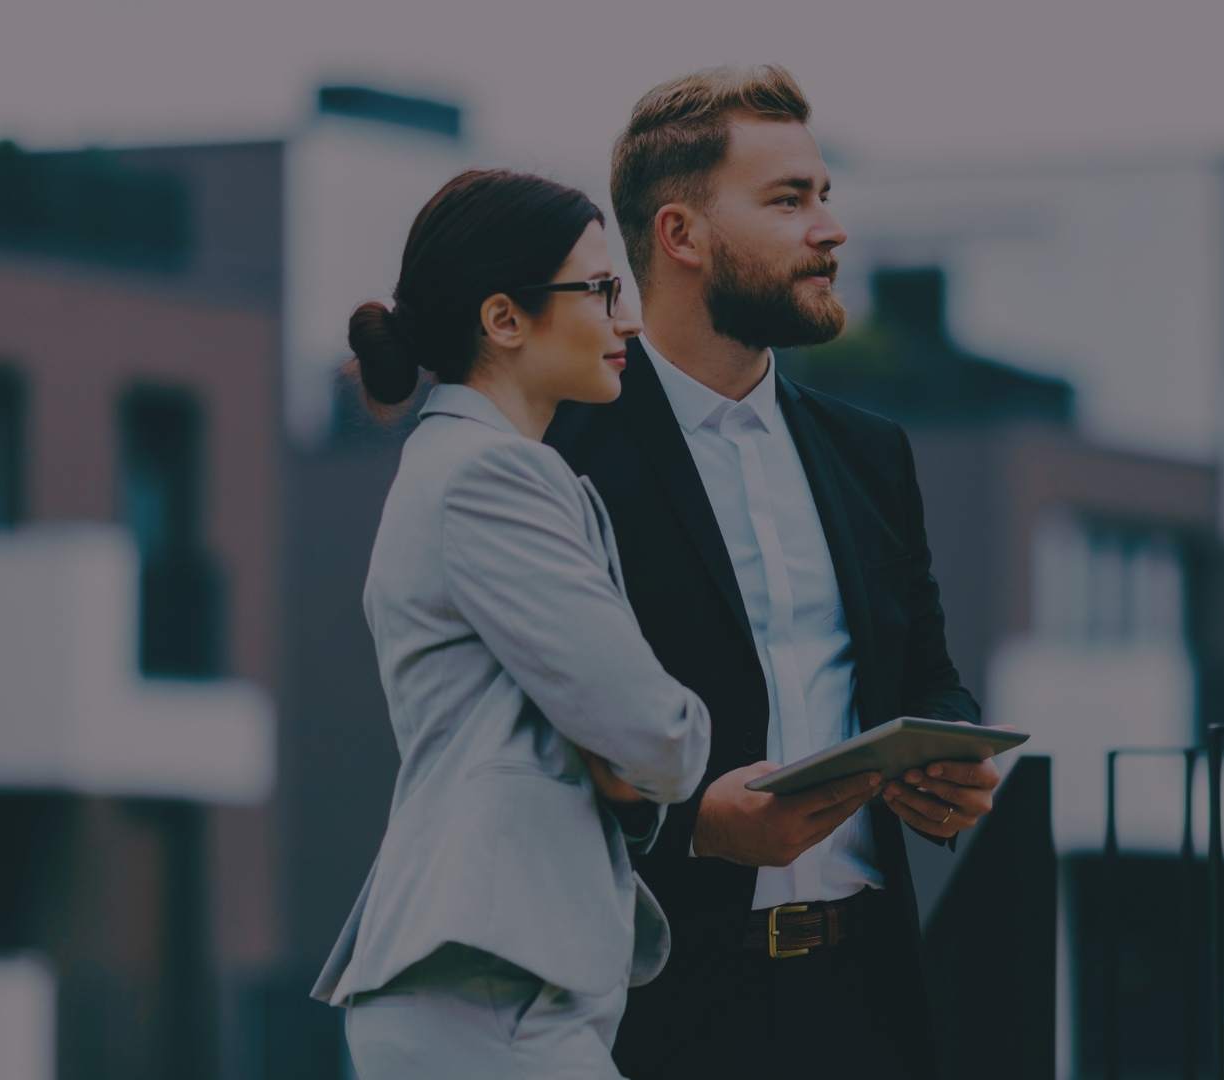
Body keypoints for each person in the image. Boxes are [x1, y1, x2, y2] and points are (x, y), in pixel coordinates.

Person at [544, 65, 998, 1079]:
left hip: (866, 1005)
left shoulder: (872, 454)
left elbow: (926, 666)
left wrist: (949, 754)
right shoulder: (563, 458)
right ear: (682, 236)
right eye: (789, 201)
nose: (829, 230)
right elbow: (523, 748)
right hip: (654, 1015)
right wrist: (693, 830)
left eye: (824, 197)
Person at [309, 168, 712, 1078]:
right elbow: (655, 733)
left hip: (491, 991)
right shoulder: (492, 477)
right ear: (503, 320)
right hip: (488, 997)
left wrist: (626, 762)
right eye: (603, 289)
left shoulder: (466, 466)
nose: (630, 319)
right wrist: (650, 756)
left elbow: (622, 743)